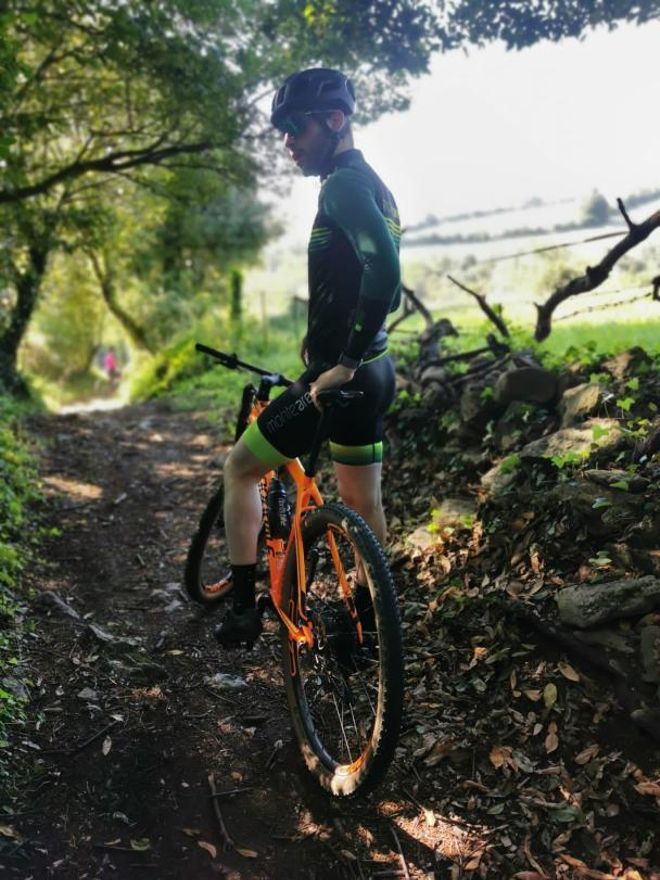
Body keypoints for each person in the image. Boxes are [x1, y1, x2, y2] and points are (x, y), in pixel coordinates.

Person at [217, 68, 402, 647]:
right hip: (377, 371)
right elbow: (362, 275)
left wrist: (340, 359)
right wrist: (352, 352)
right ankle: (366, 627)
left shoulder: (341, 186)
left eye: (296, 128)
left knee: (240, 469)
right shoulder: (376, 185)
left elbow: (386, 276)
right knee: (361, 504)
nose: (288, 143)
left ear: (335, 122)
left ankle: (243, 609)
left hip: (339, 376)